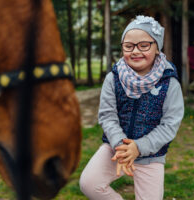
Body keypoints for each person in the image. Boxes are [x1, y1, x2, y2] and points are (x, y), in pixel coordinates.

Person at [79, 15, 184, 200]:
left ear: (157, 47)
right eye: (129, 46)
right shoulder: (114, 78)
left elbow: (170, 124)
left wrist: (139, 147)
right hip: (116, 149)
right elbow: (107, 115)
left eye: (144, 45)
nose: (135, 51)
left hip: (151, 154)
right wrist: (120, 145)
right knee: (89, 183)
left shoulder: (169, 82)